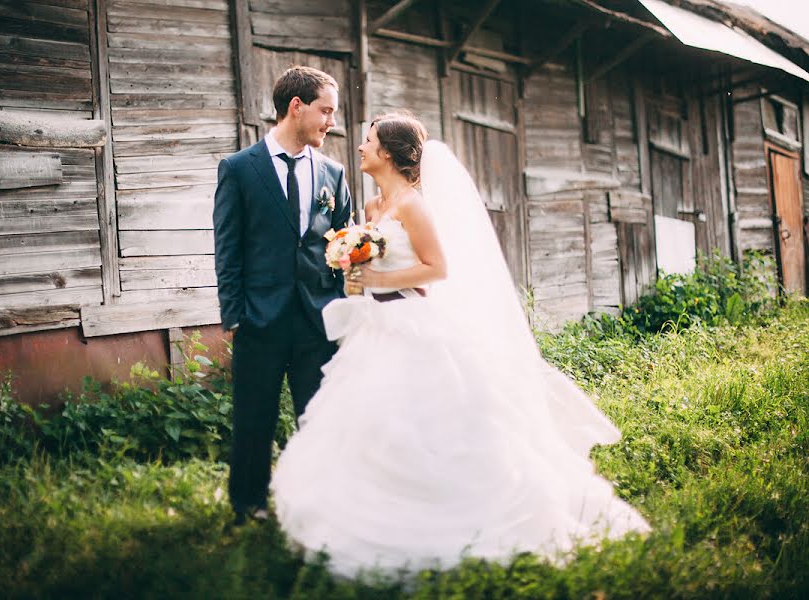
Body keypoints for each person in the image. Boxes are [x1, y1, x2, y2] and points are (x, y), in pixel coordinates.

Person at [270, 112, 651, 579]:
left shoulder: (413, 205)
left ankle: (459, 517)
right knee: (367, 419)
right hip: (374, 325)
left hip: (412, 323)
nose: (362, 147)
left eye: (369, 141)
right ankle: (371, 513)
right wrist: (355, 274)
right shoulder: (372, 210)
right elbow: (369, 263)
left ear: (388, 152)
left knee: (426, 423)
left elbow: (436, 269)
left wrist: (378, 277)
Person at [213, 66, 353, 524]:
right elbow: (228, 247)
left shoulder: (333, 172)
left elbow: (343, 241)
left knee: (318, 417)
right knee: (255, 418)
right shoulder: (239, 169)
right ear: (297, 107)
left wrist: (342, 306)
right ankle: (248, 504)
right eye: (325, 110)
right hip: (259, 318)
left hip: (317, 319)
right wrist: (234, 314)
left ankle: (317, 503)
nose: (331, 121)